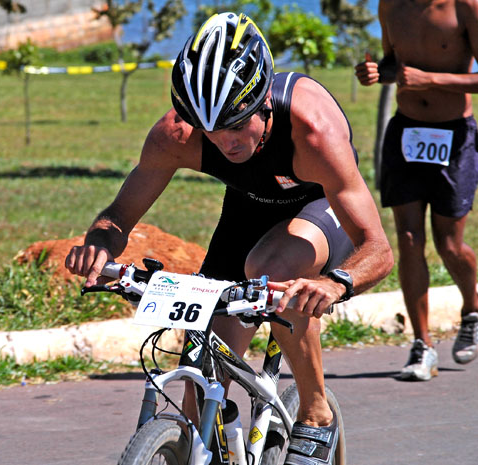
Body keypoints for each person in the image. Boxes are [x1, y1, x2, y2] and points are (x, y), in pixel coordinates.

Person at [67, 12, 393, 464]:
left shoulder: (313, 132)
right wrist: (100, 244)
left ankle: (317, 413)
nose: (227, 143)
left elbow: (377, 247)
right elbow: (120, 215)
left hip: (320, 210)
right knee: (201, 381)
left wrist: (334, 283)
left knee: (272, 271)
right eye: (213, 131)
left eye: (238, 125)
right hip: (248, 211)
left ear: (263, 104)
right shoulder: (176, 135)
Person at [355, 0, 478, 381]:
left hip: (453, 136)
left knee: (450, 245)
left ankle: (472, 311)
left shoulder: (465, 6)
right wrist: (377, 72)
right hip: (407, 131)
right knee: (408, 240)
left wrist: (433, 80)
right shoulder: (390, 5)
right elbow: (395, 66)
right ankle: (422, 345)